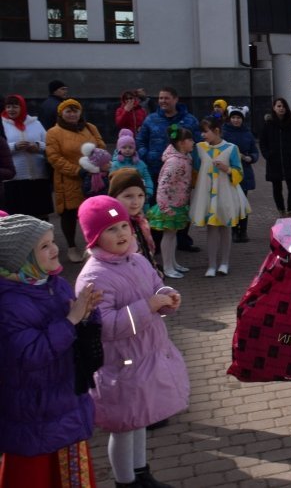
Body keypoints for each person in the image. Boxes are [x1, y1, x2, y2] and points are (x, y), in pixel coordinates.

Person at [75, 196, 188, 488]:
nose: (122, 234)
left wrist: (167, 296)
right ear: (95, 237)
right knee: (124, 427)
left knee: (139, 420)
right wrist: (149, 306)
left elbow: (155, 284)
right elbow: (106, 326)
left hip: (144, 356)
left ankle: (141, 473)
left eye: (124, 225)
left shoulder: (136, 259)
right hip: (121, 364)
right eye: (111, 229)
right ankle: (125, 482)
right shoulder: (94, 277)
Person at [0, 214, 103, 488]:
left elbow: (76, 331)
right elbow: (30, 355)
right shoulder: (9, 302)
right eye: (44, 246)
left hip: (65, 400)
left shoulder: (54, 284)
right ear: (22, 260)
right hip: (33, 414)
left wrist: (88, 313)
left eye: (51, 241)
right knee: (33, 477)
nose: (55, 248)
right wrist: (71, 320)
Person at [136, 87, 202, 253]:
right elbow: (140, 141)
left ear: (175, 99)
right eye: (160, 98)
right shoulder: (151, 119)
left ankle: (182, 240)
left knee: (181, 205)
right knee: (157, 206)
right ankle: (157, 242)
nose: (163, 101)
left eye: (166, 98)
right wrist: (147, 155)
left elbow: (198, 143)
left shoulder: (189, 120)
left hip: (181, 174)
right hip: (155, 171)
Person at [45, 99, 106, 263]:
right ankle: (72, 247)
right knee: (70, 214)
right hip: (69, 179)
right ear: (61, 114)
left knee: (94, 212)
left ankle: (94, 244)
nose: (72, 115)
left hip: (93, 177)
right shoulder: (53, 132)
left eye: (75, 111)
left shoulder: (89, 127)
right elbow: (54, 157)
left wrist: (96, 163)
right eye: (68, 111)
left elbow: (101, 146)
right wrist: (77, 170)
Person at [189, 117, 250, 277]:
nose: (202, 135)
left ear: (216, 131)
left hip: (225, 194)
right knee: (211, 229)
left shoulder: (231, 149)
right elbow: (195, 168)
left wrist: (228, 170)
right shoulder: (199, 148)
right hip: (207, 194)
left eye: (205, 131)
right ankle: (211, 265)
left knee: (225, 228)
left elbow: (239, 173)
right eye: (202, 131)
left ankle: (224, 263)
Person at [145, 125, 194, 280]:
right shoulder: (174, 162)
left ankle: (172, 263)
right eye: (190, 139)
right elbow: (163, 184)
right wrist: (164, 206)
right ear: (181, 143)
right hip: (170, 204)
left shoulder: (185, 159)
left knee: (173, 235)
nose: (193, 142)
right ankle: (167, 267)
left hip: (178, 202)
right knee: (169, 235)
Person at [2, 94, 53, 219]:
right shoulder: (1, 124)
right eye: (8, 107)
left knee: (40, 215)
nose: (11, 110)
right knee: (16, 216)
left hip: (38, 177)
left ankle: (44, 239)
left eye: (15, 106)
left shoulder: (35, 123)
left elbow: (50, 144)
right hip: (14, 179)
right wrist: (14, 147)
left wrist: (37, 146)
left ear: (22, 107)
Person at [109, 168, 159, 274]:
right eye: (128, 196)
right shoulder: (112, 224)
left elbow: (146, 250)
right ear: (114, 197)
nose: (136, 202)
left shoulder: (139, 219)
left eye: (140, 195)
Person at [259, 98, 291, 218]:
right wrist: (268, 155)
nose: (281, 108)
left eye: (283, 106)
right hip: (274, 161)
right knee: (277, 188)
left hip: (289, 160)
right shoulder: (268, 124)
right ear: (274, 108)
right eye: (278, 106)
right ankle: (281, 212)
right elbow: (263, 142)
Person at [222, 106, 259, 242]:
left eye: (238, 118)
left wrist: (251, 158)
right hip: (228, 172)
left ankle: (243, 231)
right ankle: (233, 230)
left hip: (244, 172)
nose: (236, 120)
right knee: (232, 203)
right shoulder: (224, 133)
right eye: (233, 118)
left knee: (242, 203)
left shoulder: (247, 133)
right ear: (230, 118)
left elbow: (254, 151)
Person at [111, 128, 154, 201]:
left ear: (134, 149)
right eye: (124, 147)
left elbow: (147, 178)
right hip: (123, 198)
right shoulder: (115, 164)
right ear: (119, 149)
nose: (127, 149)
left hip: (141, 197)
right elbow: (112, 181)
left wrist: (148, 191)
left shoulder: (141, 164)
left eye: (130, 147)